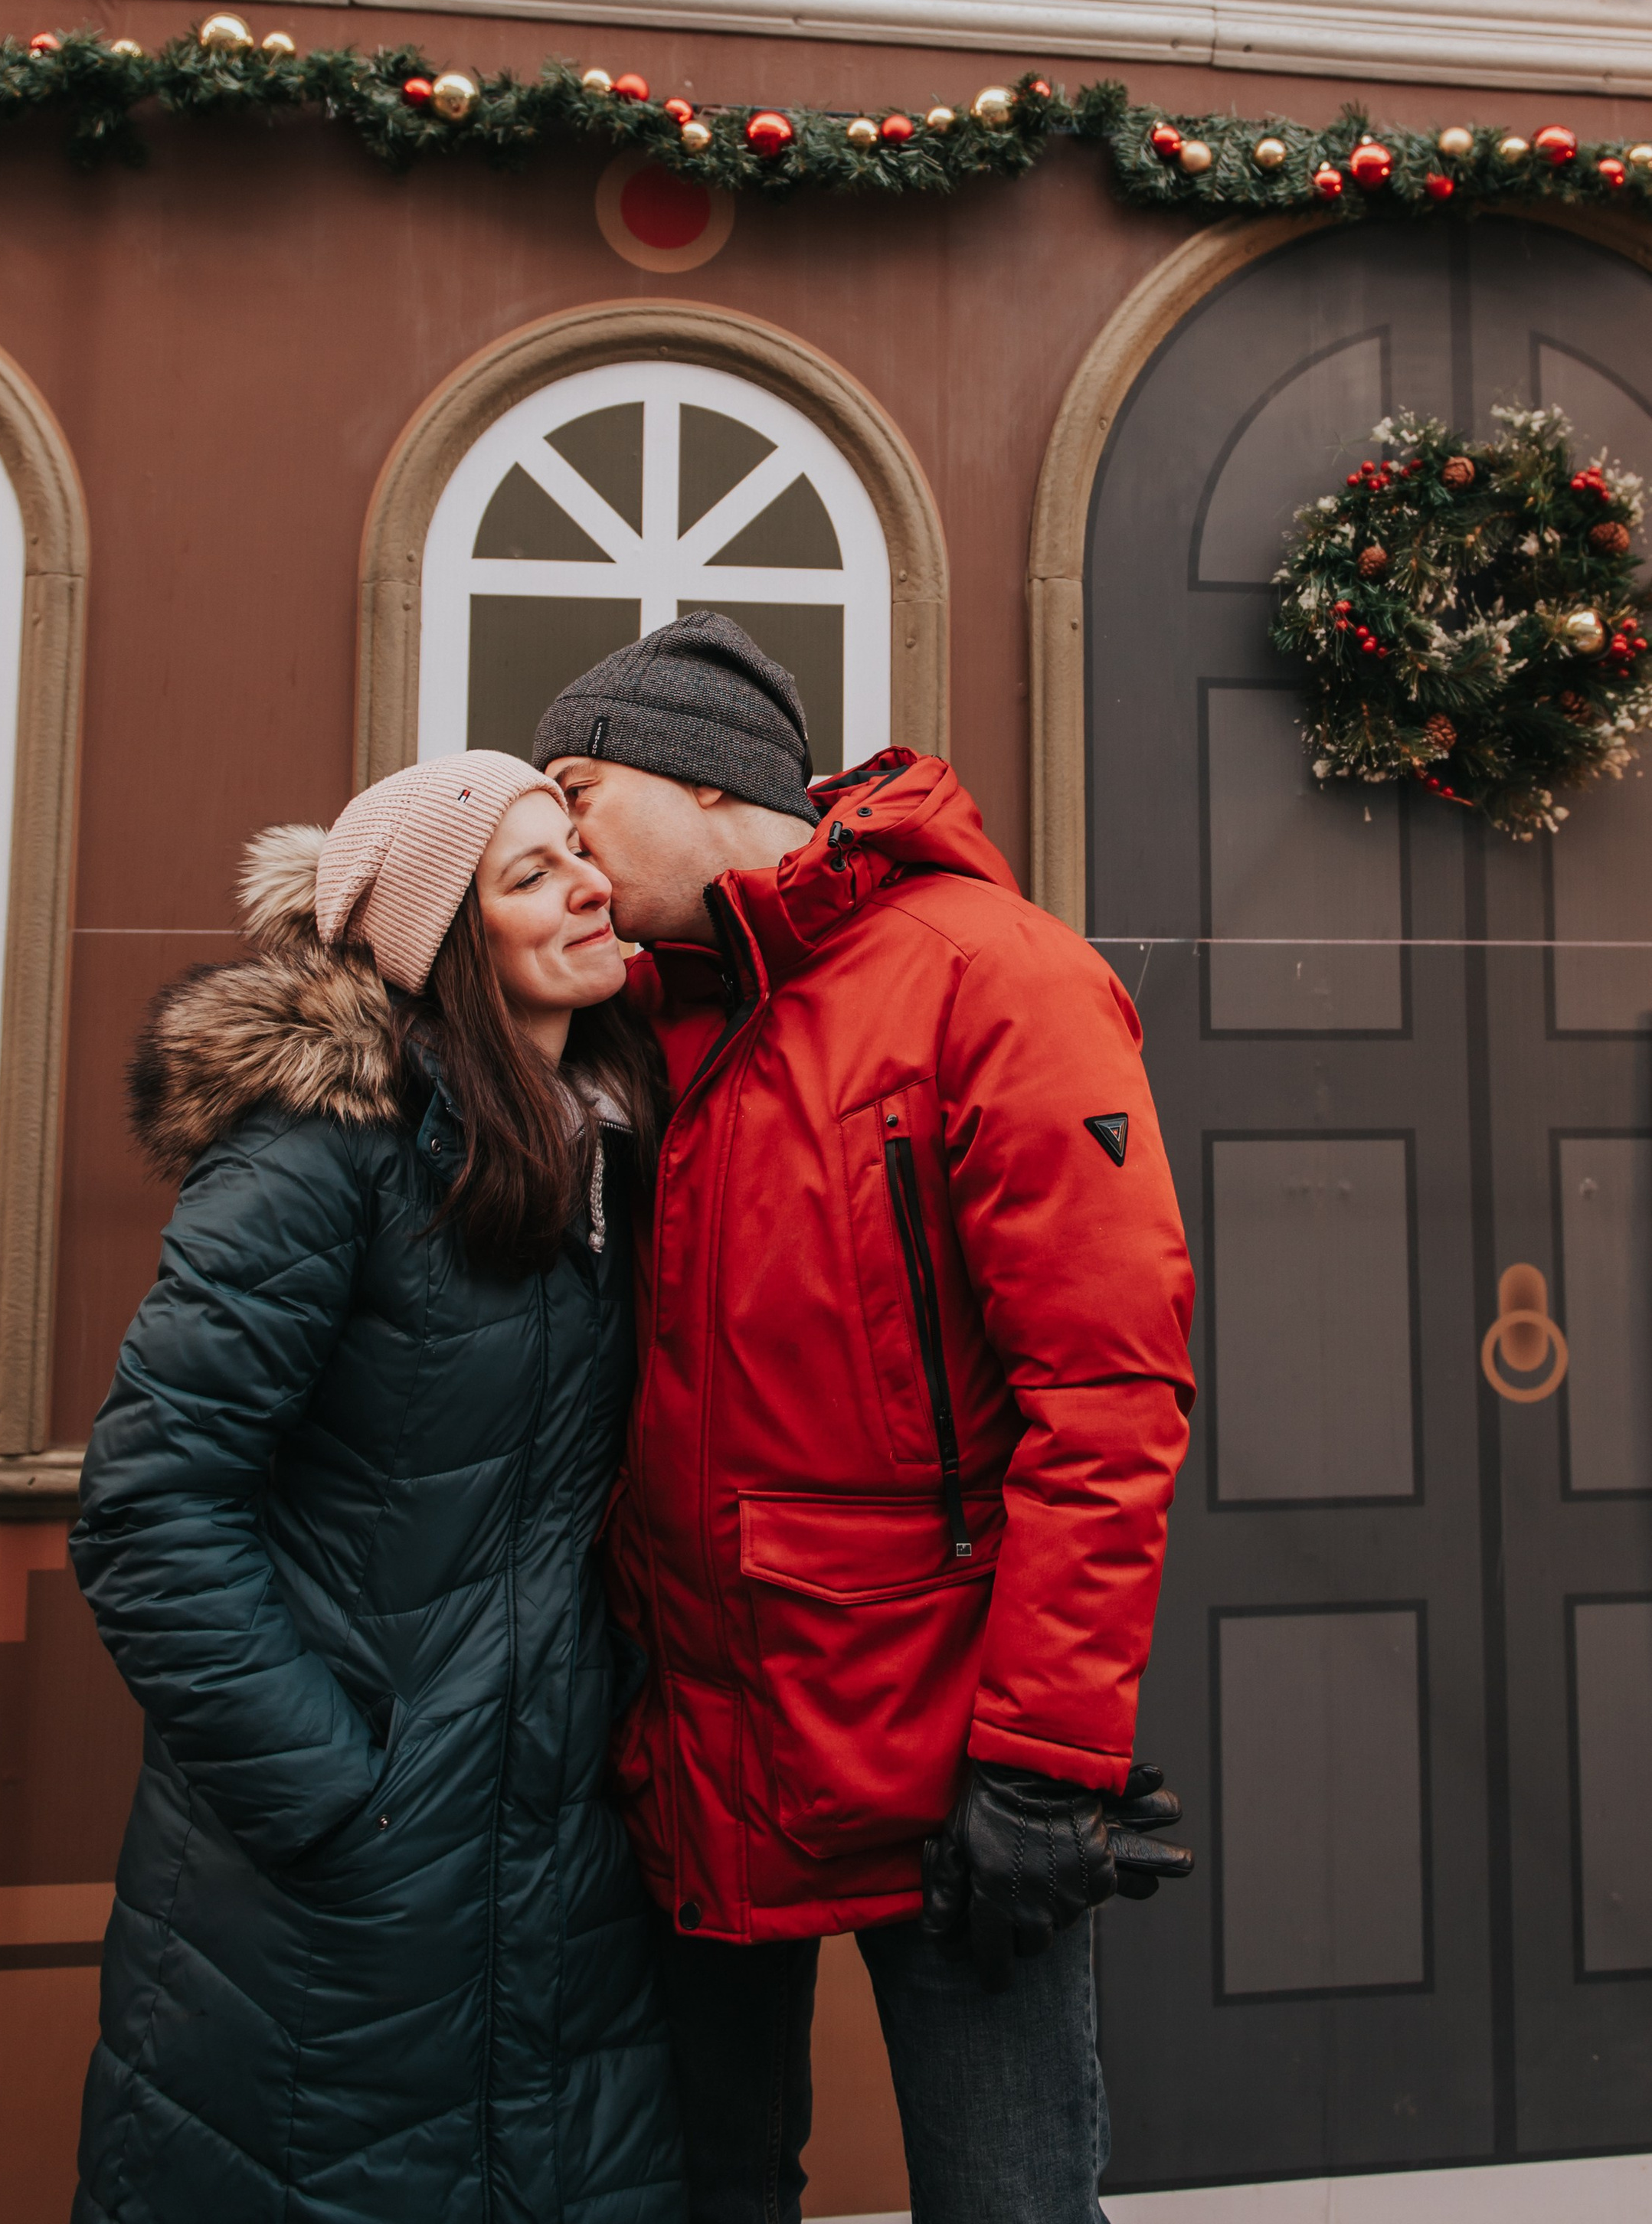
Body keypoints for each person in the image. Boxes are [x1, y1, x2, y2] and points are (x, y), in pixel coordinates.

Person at [532, 614, 1198, 2224]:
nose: (560, 845)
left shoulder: (994, 973)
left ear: (696, 781)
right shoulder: (650, 1020)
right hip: (691, 1753)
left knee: (1006, 2198)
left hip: (947, 1771)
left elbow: (1105, 1394)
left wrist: (1046, 1761)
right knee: (703, 2193)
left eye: (575, 791)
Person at [69, 752, 686, 2224]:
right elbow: (150, 1506)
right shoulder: (321, 1154)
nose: (590, 885)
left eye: (573, 853)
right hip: (332, 1887)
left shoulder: (605, 1143)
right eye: (527, 875)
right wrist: (342, 1799)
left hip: (556, 1862)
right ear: (448, 950)